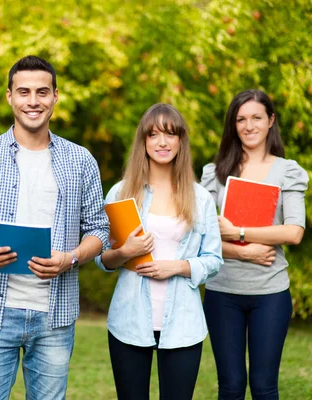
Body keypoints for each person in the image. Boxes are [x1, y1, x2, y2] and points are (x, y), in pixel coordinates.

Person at [0, 55, 109, 399]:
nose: (32, 101)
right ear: (10, 96)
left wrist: (70, 258)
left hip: (55, 314)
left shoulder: (80, 159)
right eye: (23, 92)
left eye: (42, 92)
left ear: (55, 96)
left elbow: (99, 228)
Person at [95, 103, 223, 400]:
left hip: (183, 324)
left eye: (170, 134)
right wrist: (125, 250)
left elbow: (214, 260)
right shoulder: (121, 193)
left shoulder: (200, 197)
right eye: (153, 135)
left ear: (181, 141)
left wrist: (176, 267)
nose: (162, 142)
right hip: (129, 320)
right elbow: (103, 259)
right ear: (143, 142)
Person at [200, 89, 308, 400]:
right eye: (241, 119)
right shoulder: (214, 173)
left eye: (257, 118)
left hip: (270, 293)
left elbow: (294, 232)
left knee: (264, 386)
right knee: (230, 386)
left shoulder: (287, 171)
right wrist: (243, 251)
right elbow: (203, 236)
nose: (249, 126)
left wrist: (240, 232)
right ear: (233, 125)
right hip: (223, 293)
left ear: (271, 121)